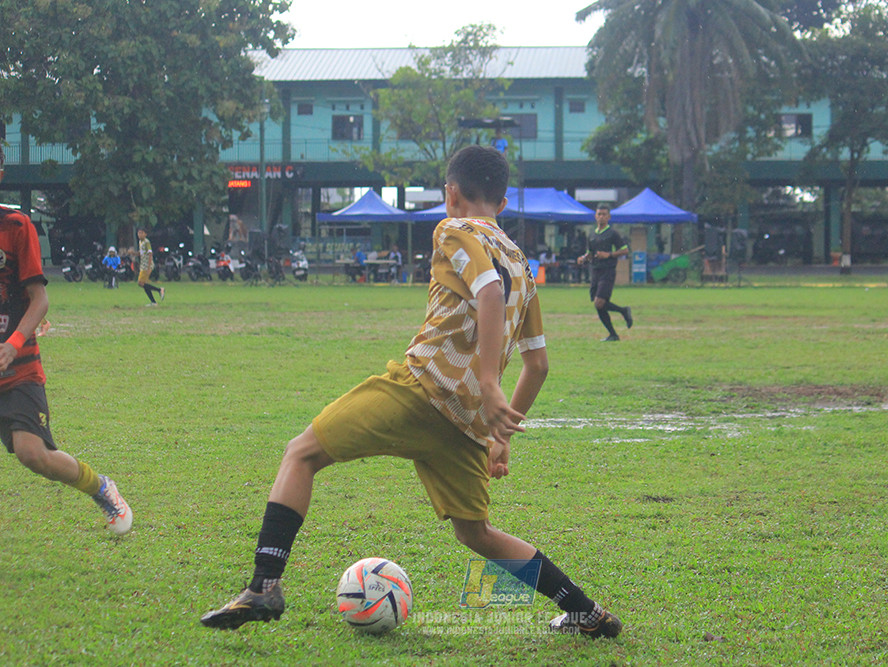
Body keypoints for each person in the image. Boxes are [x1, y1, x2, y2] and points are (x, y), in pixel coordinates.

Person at [200, 145, 622, 639]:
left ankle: (264, 585)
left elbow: (486, 289)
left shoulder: (453, 228)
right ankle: (586, 612)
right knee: (476, 533)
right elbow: (539, 364)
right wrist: (500, 434)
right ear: (502, 204)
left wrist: (488, 383)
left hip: (419, 392)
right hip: (466, 427)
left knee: (301, 454)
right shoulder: (524, 266)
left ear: (451, 194)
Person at [0, 146, 133, 536]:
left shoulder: (16, 226)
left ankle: (101, 487)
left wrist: (13, 343)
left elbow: (40, 299)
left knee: (33, 454)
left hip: (18, 368)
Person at [577, 203, 633, 341]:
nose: (601, 217)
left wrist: (609, 254)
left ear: (609, 217)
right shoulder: (591, 235)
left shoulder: (613, 234)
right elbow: (590, 253)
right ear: (595, 216)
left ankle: (623, 311)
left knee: (599, 303)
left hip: (608, 271)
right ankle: (613, 334)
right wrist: (583, 259)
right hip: (595, 271)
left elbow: (625, 250)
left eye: (604, 214)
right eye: (599, 214)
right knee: (599, 305)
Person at [136, 228, 165, 306]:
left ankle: (160, 290)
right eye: (138, 233)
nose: (140, 234)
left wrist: (149, 267)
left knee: (140, 283)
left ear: (145, 234)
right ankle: (153, 302)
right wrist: (134, 253)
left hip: (146, 266)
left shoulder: (146, 242)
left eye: (141, 233)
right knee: (144, 284)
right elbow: (142, 253)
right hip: (143, 265)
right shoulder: (140, 242)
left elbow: (150, 254)